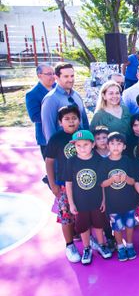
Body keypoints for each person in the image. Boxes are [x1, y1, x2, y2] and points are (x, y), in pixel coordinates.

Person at [65, 130, 112, 264]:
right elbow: (69, 183)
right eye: (78, 145)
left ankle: (102, 245)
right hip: (80, 202)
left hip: (96, 200)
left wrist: (103, 199)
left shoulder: (98, 159)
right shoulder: (71, 161)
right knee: (83, 227)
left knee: (98, 225)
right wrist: (71, 203)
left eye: (85, 144)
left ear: (92, 144)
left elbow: (102, 182)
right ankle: (87, 248)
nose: (82, 148)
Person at [44, 105, 81, 263]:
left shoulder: (83, 135)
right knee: (66, 215)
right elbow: (49, 162)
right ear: (60, 122)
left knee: (83, 212)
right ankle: (69, 245)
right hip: (63, 184)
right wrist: (53, 184)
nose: (71, 121)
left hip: (82, 183)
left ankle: (87, 238)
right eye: (67, 119)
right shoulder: (56, 139)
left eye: (74, 118)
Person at [99, 132, 137, 261]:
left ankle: (130, 245)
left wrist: (125, 178)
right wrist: (111, 180)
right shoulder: (104, 163)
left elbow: (133, 181)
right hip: (113, 203)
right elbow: (102, 184)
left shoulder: (127, 161)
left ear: (124, 147)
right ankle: (120, 247)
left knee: (130, 225)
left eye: (119, 144)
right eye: (112, 143)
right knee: (117, 227)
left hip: (128, 202)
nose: (116, 146)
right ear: (107, 146)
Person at [41, 63, 89, 143]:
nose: (70, 80)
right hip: (62, 146)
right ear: (56, 77)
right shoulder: (50, 99)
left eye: (72, 76)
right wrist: (55, 150)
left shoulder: (77, 95)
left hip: (82, 148)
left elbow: (84, 122)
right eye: (66, 76)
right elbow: (49, 129)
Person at [26, 64, 55, 157]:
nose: (53, 76)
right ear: (39, 76)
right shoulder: (32, 94)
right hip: (46, 137)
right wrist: (59, 117)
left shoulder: (59, 88)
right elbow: (35, 117)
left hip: (63, 134)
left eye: (54, 73)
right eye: (49, 74)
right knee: (52, 167)